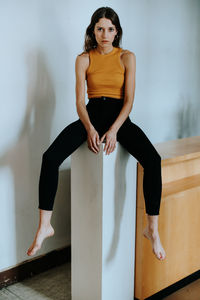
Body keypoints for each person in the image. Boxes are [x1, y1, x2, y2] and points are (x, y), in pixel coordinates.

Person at [27, 7, 166, 261]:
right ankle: (45, 225)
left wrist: (114, 130)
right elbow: (80, 102)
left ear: (117, 32)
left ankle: (152, 229)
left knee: (153, 160)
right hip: (91, 115)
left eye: (110, 29)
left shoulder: (127, 57)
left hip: (119, 119)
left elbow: (129, 101)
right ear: (93, 30)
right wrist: (90, 127)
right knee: (50, 158)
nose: (105, 34)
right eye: (100, 28)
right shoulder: (83, 59)